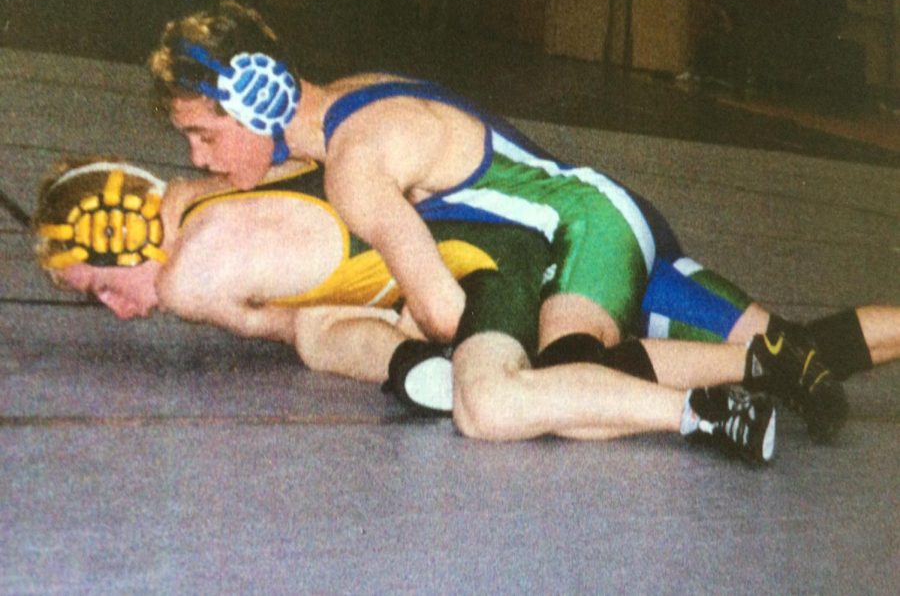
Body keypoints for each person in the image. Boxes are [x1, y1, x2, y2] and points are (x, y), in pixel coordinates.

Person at [147, 0, 865, 442]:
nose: (197, 154)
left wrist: (394, 326)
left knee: (569, 378)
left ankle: (753, 374)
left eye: (203, 135)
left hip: (583, 235)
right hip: (596, 220)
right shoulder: (355, 99)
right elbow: (288, 167)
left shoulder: (356, 167)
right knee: (810, 346)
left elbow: (442, 310)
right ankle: (774, 361)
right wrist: (191, 190)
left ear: (253, 101)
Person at [33, 161, 900, 463]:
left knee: (533, 391)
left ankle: (715, 407)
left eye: (100, 285)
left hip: (547, 244)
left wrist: (411, 344)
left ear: (121, 239)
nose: (115, 310)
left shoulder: (195, 271)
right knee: (802, 347)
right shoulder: (226, 198)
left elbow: (305, 317)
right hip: (562, 229)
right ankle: (759, 371)